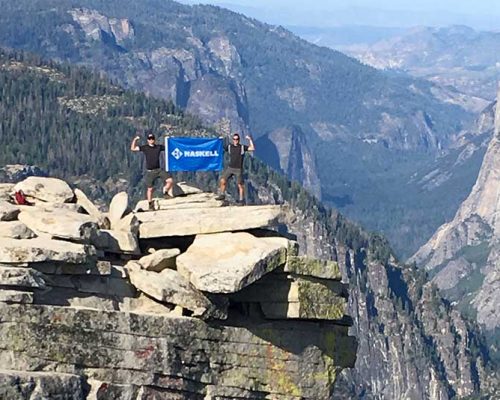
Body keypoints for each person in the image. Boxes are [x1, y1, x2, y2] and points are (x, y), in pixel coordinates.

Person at [130, 131, 174, 210]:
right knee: (150, 189)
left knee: (170, 180)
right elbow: (133, 148)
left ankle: (165, 191)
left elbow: (169, 147)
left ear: (154, 139)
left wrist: (172, 140)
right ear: (147, 140)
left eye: (152, 138)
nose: (151, 140)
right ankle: (150, 204)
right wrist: (135, 140)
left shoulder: (158, 147)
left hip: (159, 170)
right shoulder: (145, 148)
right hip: (150, 171)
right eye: (150, 139)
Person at [216, 133, 255, 205]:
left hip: (238, 169)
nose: (235, 140)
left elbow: (252, 148)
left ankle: (241, 200)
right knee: (222, 180)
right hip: (230, 168)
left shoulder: (242, 147)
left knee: (240, 185)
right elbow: (221, 147)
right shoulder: (230, 147)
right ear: (233, 140)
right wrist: (220, 140)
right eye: (234, 139)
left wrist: (250, 139)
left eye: (237, 139)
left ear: (239, 140)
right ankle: (222, 195)